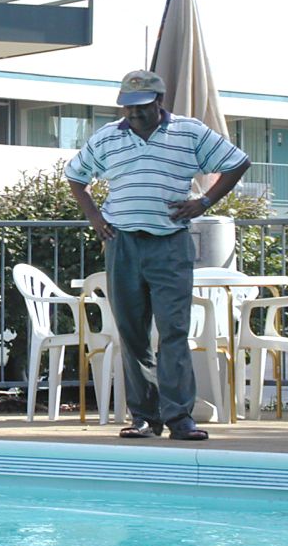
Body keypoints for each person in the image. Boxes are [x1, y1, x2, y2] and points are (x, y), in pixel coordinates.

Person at [65, 70, 250, 441]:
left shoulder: (189, 132)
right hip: (122, 244)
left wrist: (204, 202)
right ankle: (144, 418)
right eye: (128, 107)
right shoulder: (107, 137)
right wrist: (95, 218)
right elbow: (76, 176)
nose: (134, 114)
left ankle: (180, 418)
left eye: (142, 107)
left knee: (174, 331)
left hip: (170, 244)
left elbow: (237, 162)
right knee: (132, 334)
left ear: (159, 102)